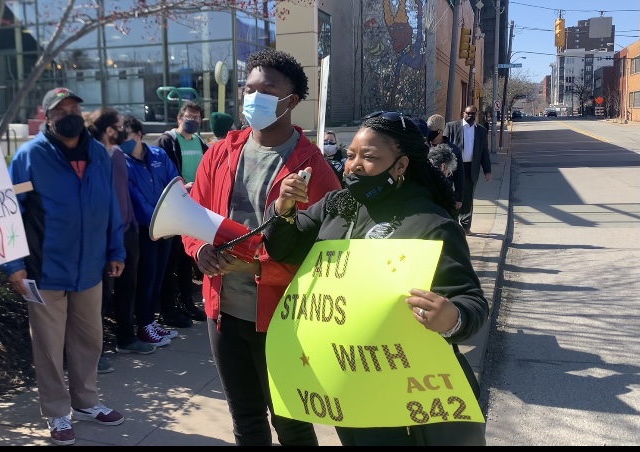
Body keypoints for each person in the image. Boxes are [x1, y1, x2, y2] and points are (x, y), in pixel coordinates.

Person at [263, 111, 489, 446]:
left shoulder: (431, 224)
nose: (353, 165)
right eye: (351, 154)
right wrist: (282, 210)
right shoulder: (336, 207)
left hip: (405, 400)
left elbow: (470, 301)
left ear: (401, 165)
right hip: (350, 390)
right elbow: (284, 249)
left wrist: (451, 317)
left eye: (369, 157)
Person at [182, 48, 341, 446]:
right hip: (224, 311)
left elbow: (326, 257)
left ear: (292, 100)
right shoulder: (219, 152)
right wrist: (198, 251)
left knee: (291, 423)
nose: (254, 97)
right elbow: (193, 216)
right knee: (246, 419)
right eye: (249, 88)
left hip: (285, 318)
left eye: (267, 89)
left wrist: (256, 270)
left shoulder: (313, 168)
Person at [2, 88, 125, 446]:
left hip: (89, 268)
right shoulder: (28, 156)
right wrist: (13, 266)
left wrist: (116, 250)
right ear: (46, 116)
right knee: (49, 346)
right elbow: (10, 212)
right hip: (45, 270)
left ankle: (87, 401)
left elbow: (110, 206)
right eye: (61, 110)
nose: (69, 114)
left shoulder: (99, 154)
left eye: (74, 108)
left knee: (90, 339)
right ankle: (57, 412)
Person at [84, 109, 157, 360]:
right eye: (119, 125)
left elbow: (122, 194)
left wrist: (133, 225)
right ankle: (95, 351)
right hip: (102, 237)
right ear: (109, 130)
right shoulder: (90, 155)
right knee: (100, 297)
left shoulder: (117, 154)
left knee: (128, 288)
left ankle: (126, 338)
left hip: (127, 232)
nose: (125, 130)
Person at [120, 114, 181, 347]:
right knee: (146, 278)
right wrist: (159, 223)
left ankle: (151, 321)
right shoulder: (123, 163)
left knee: (158, 277)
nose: (122, 142)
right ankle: (143, 324)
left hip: (166, 227)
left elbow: (174, 183)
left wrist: (171, 220)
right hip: (145, 230)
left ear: (138, 135)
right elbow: (135, 201)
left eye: (126, 137)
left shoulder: (158, 155)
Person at [155, 101, 209, 328]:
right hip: (175, 208)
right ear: (179, 118)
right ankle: (169, 308)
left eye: (197, 118)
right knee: (171, 262)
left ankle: (187, 303)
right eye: (189, 116)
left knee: (188, 260)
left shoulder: (199, 142)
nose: (193, 121)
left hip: (195, 208)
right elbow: (164, 172)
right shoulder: (167, 141)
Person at [443, 105, 492, 235]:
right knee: (453, 195)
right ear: (463, 113)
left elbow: (484, 153)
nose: (470, 116)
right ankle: (453, 224)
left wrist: (487, 171)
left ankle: (465, 226)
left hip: (471, 168)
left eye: (473, 114)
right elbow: (444, 147)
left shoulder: (481, 131)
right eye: (468, 113)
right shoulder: (451, 126)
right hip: (453, 168)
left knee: (468, 198)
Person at [427, 114, 465, 211]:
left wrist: (459, 199)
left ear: (440, 131)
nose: (429, 133)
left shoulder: (453, 150)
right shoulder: (423, 147)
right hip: (425, 195)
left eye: (432, 130)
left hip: (444, 195)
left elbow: (459, 176)